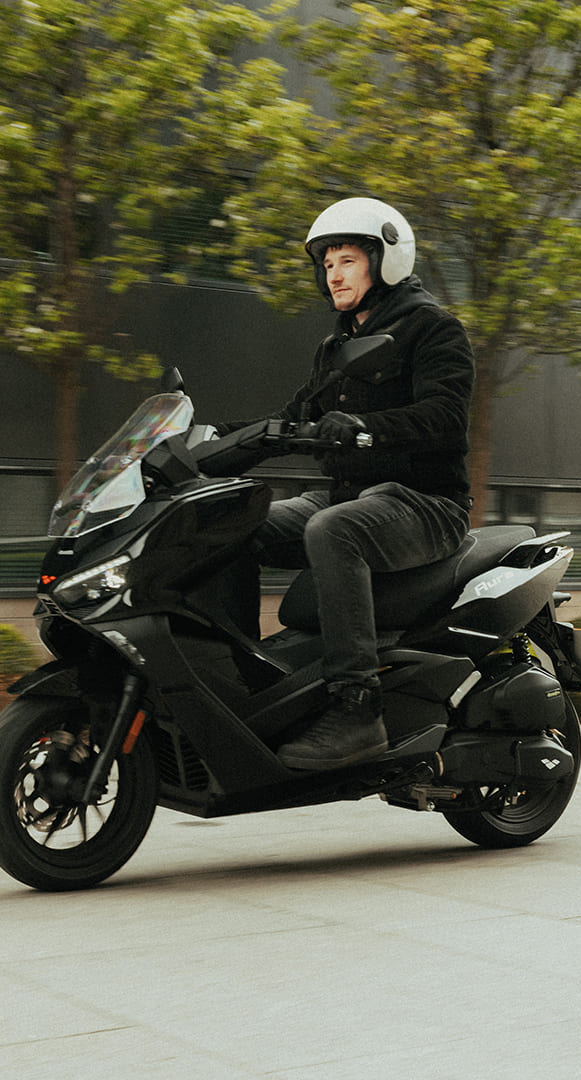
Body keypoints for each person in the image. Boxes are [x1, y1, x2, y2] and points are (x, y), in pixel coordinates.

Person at [226, 197, 474, 770]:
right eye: (327, 263)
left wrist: (364, 430)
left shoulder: (433, 330)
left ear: (384, 259)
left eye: (346, 260)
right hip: (349, 496)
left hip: (426, 503)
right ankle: (240, 677)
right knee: (230, 517)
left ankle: (358, 709)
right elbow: (292, 422)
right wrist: (206, 442)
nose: (332, 273)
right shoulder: (337, 348)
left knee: (332, 530)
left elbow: (444, 417)